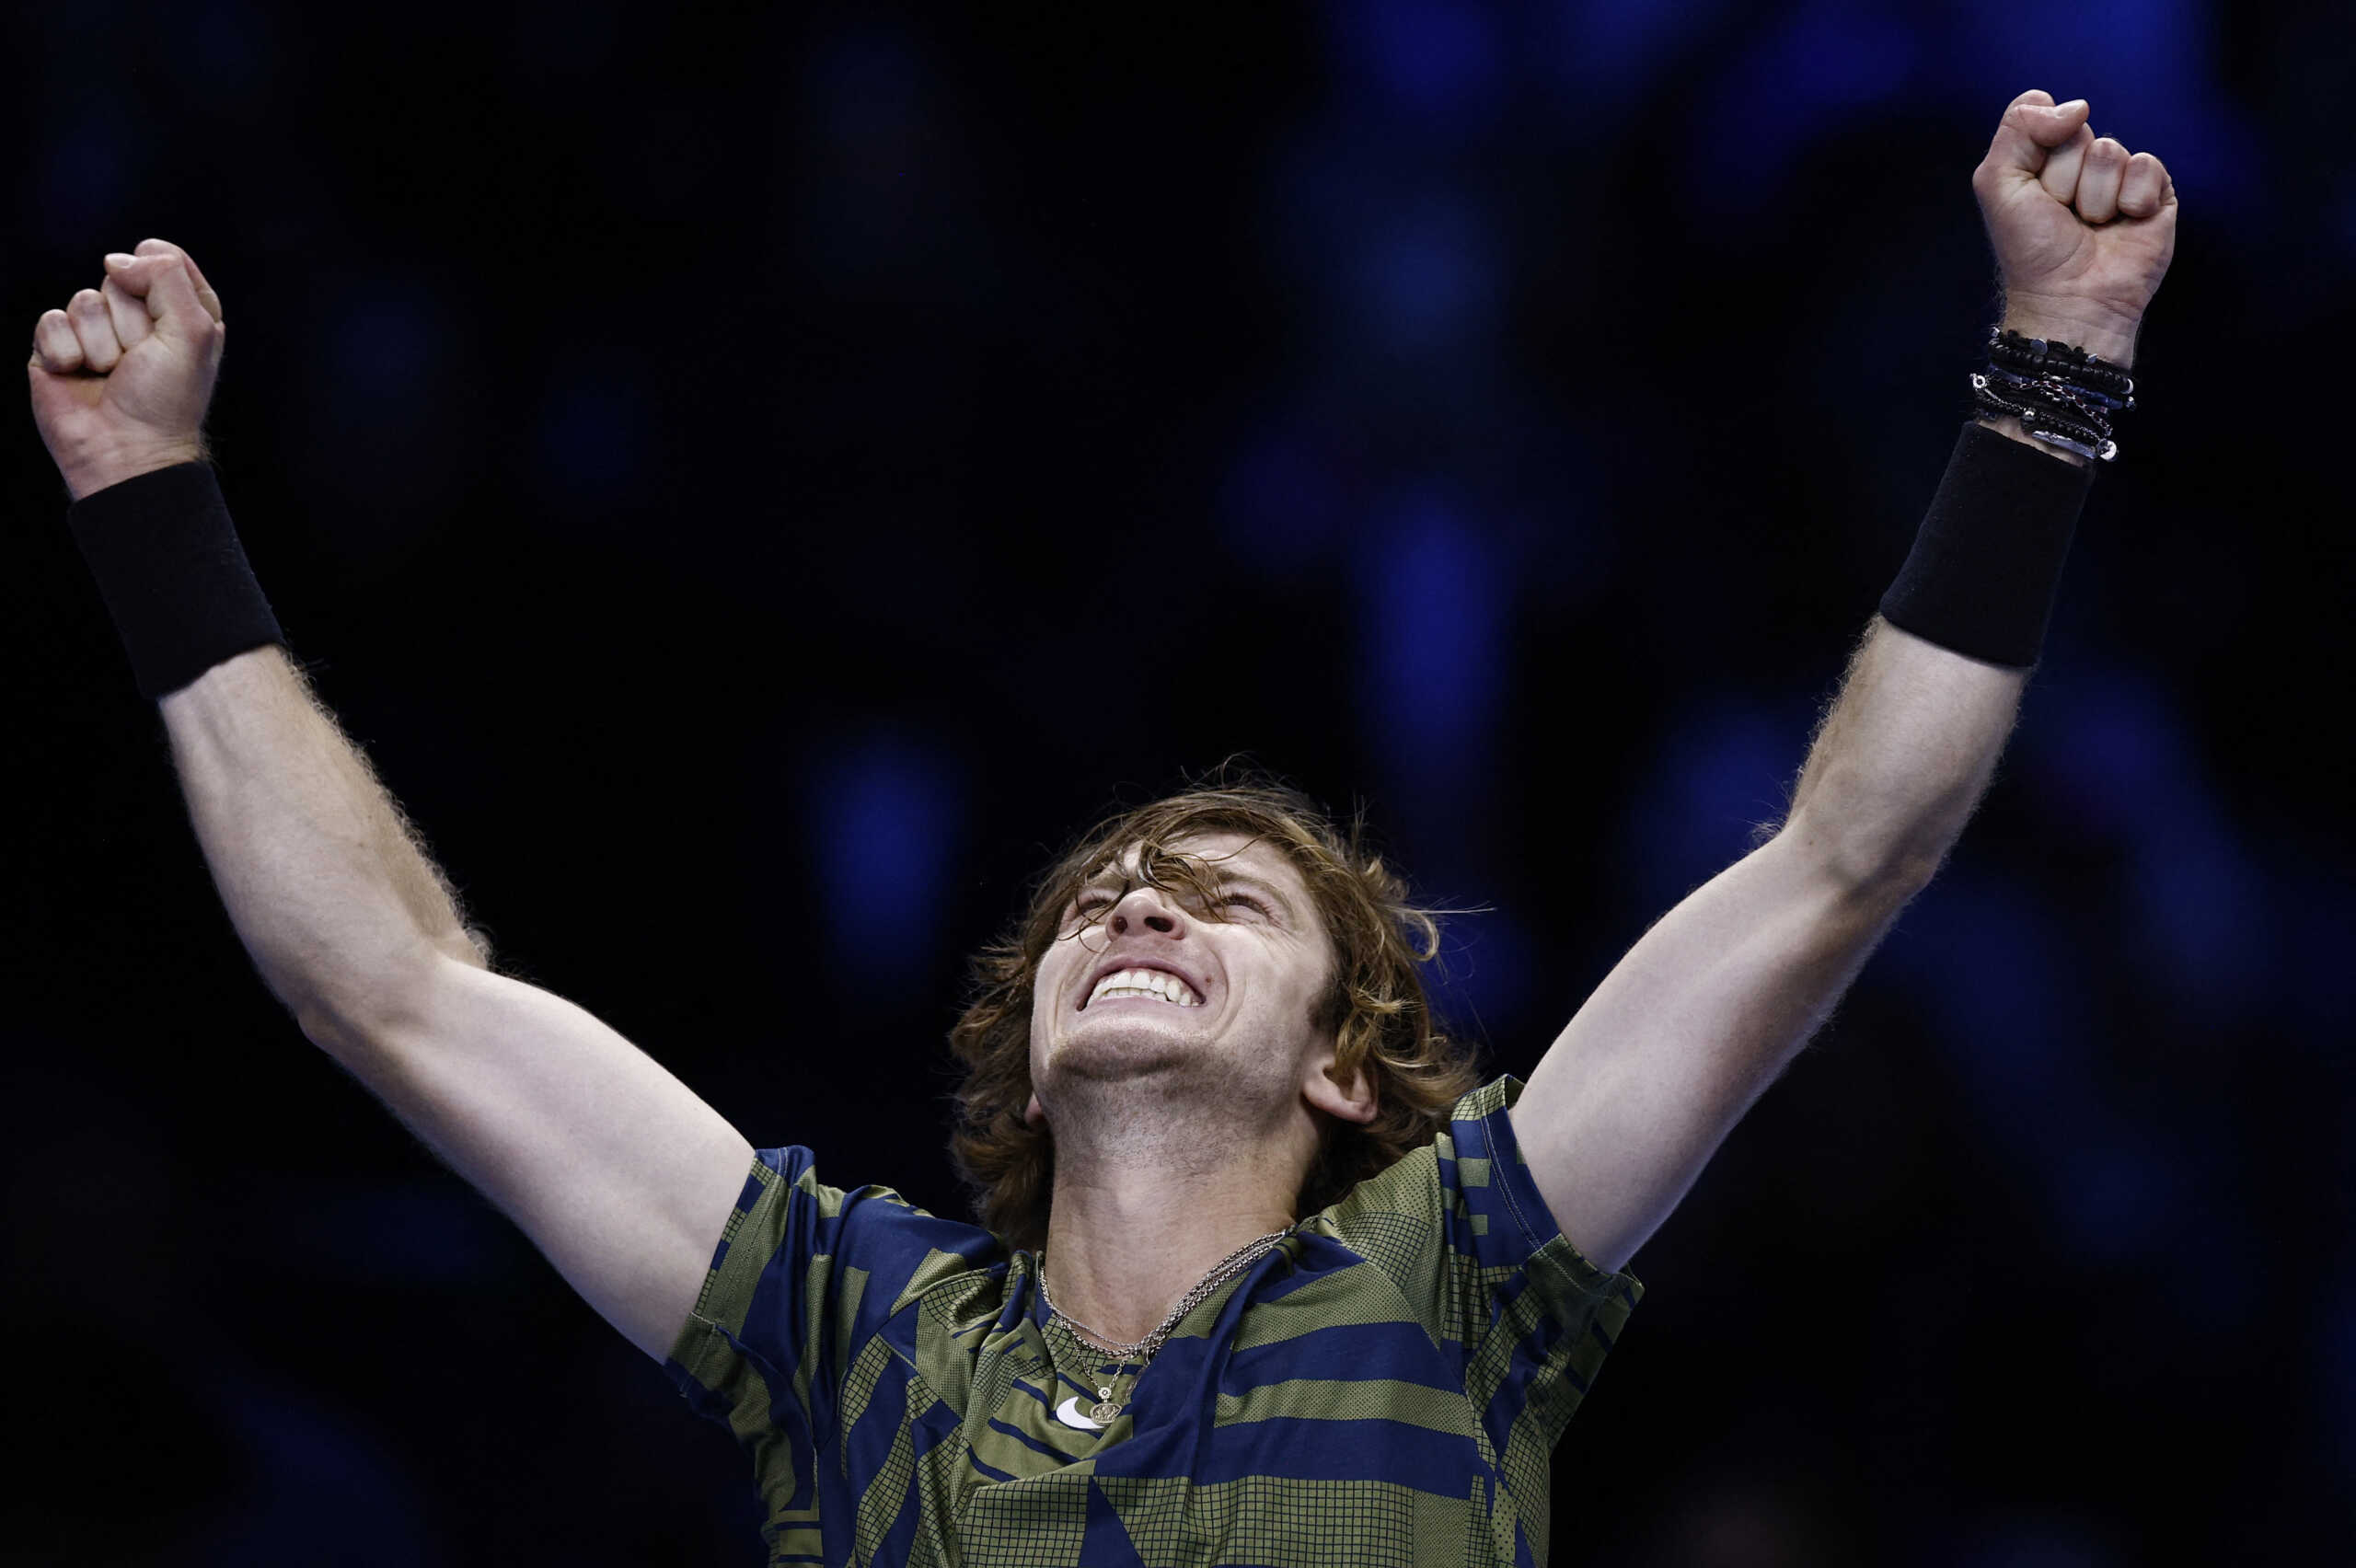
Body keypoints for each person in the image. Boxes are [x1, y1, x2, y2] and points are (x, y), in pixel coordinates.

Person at [29, 88, 2174, 1568]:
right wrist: (148, 498)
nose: (1134, 895)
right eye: (1096, 899)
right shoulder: (843, 1323)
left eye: (1221, 898)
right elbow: (389, 989)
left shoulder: (1463, 1275)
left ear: (1342, 1066)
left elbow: (1840, 857)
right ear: (1026, 1047)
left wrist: (2056, 354)